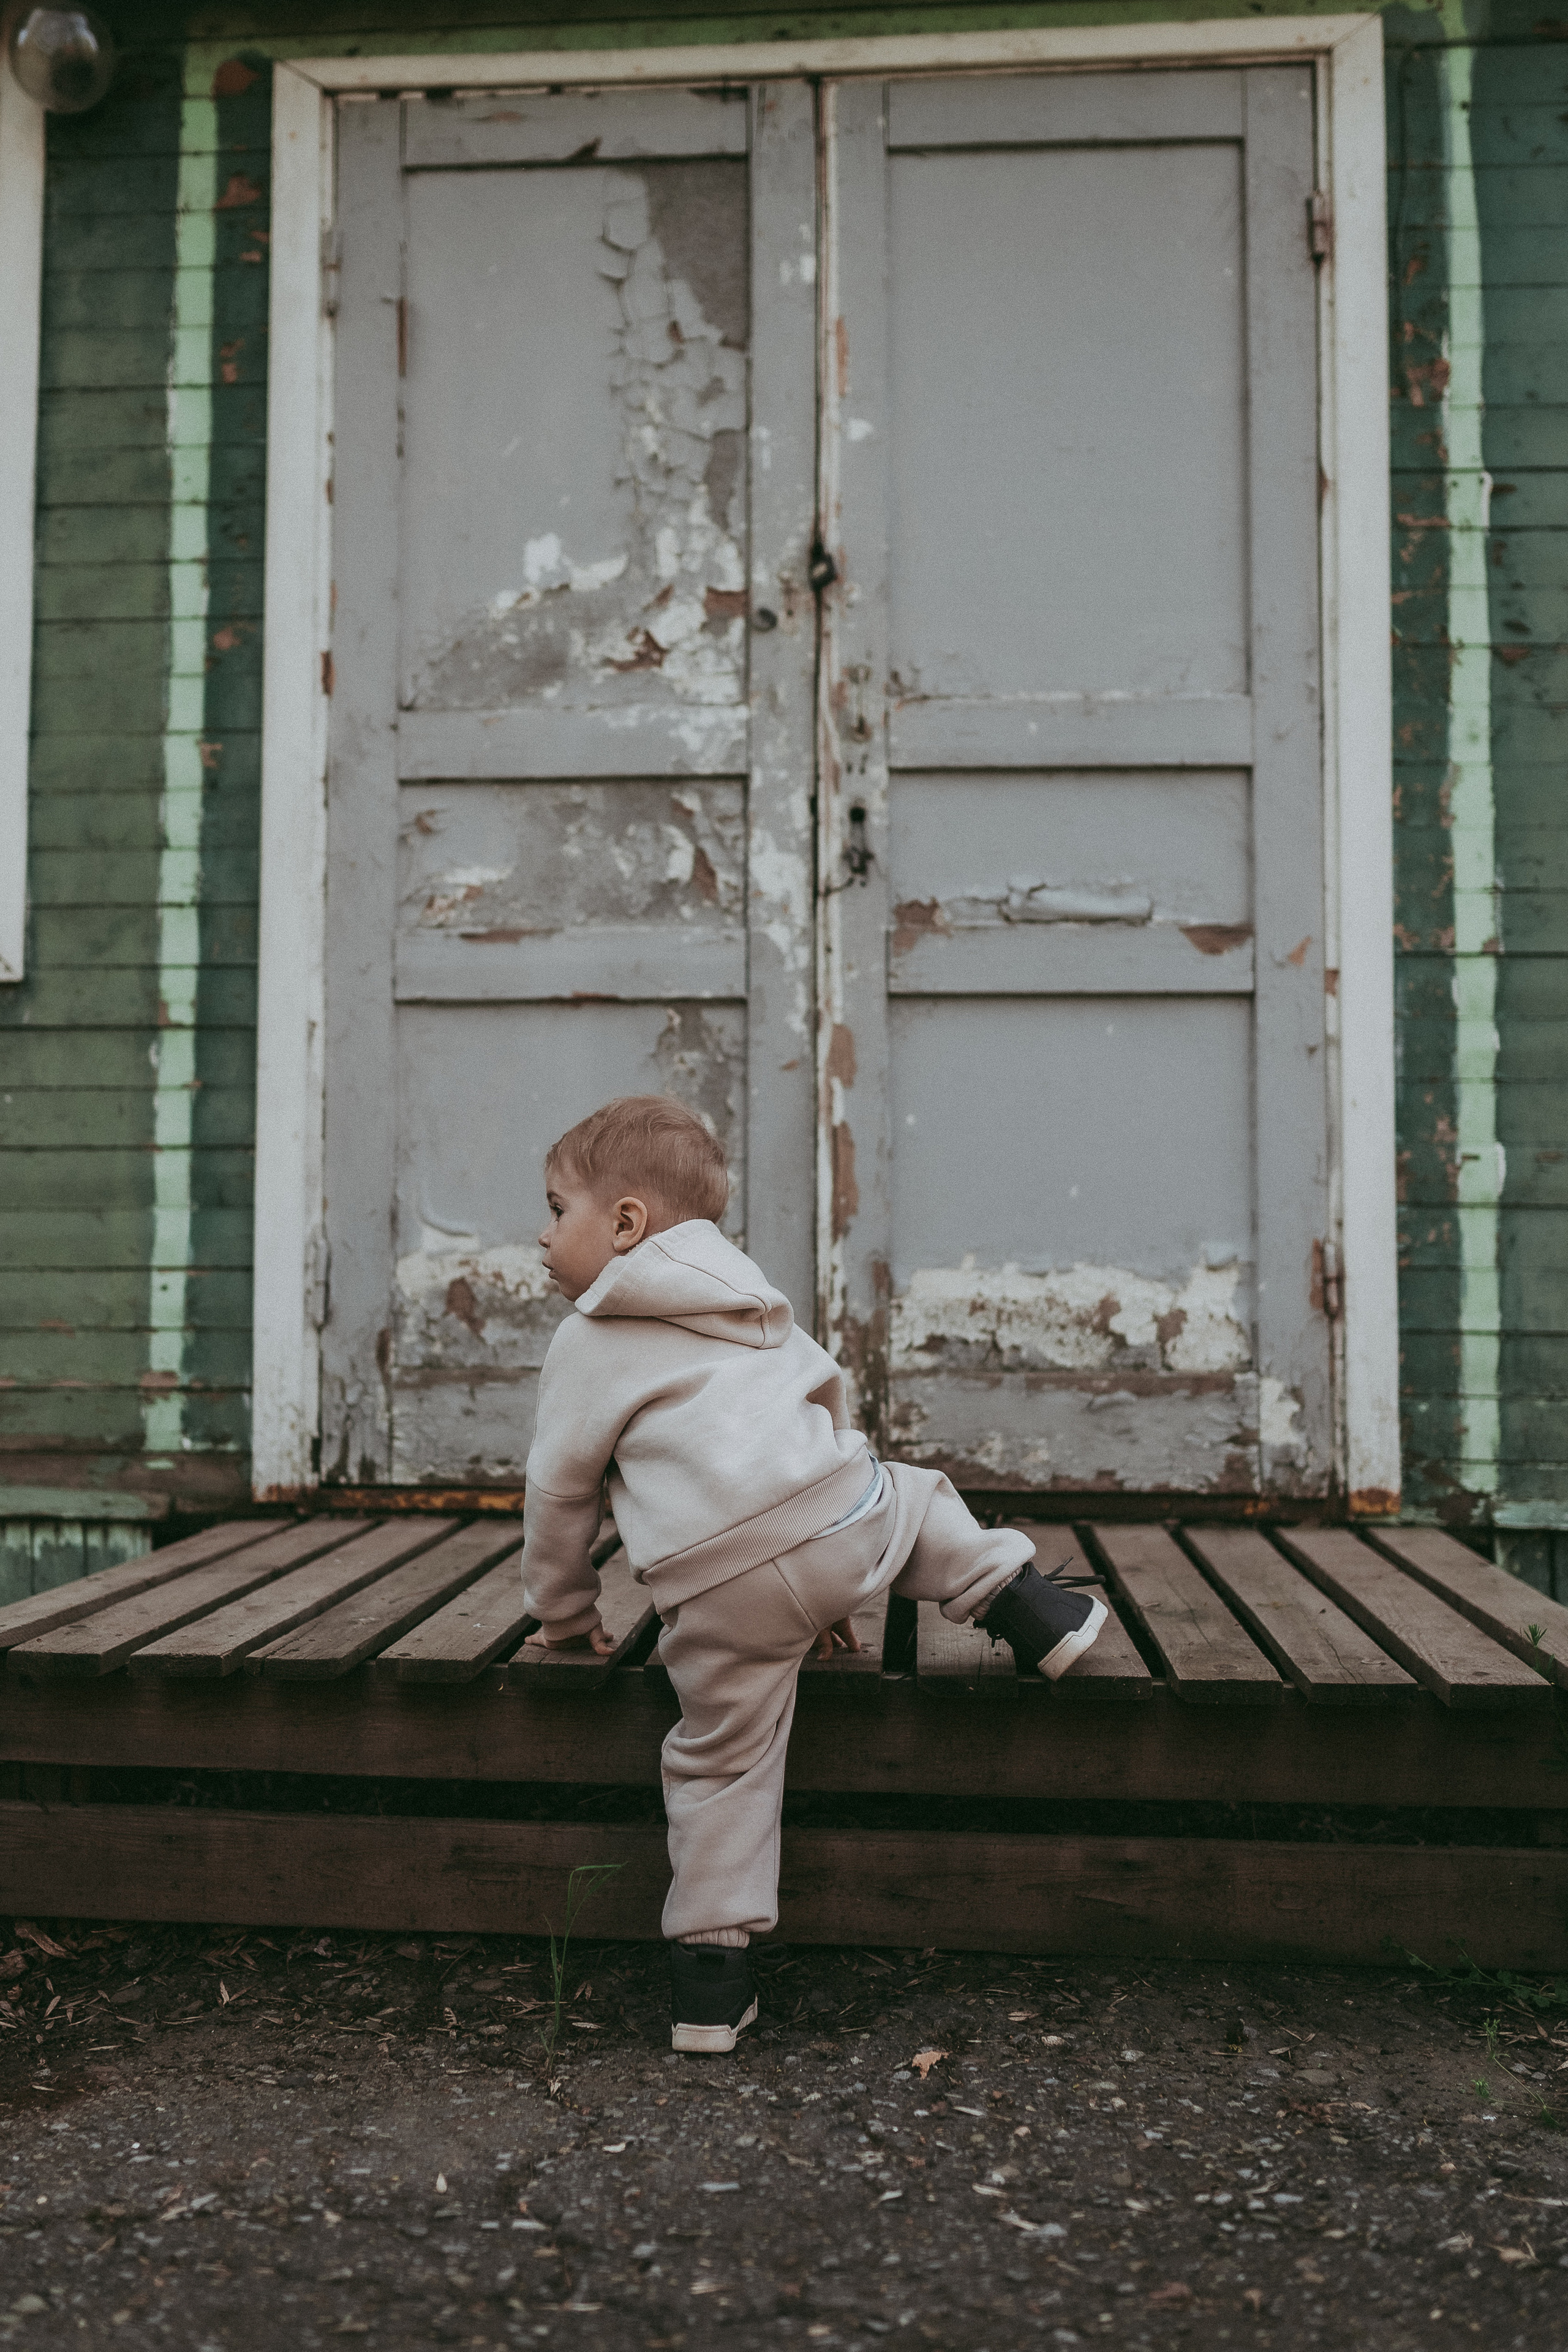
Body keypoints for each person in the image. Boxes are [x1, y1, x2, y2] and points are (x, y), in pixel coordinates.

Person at [519, 1095, 1106, 2053]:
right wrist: (836, 1575)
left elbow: (559, 1497)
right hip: (830, 1516)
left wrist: (560, 1609)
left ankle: (709, 1982)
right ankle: (1025, 1601)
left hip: (714, 1589)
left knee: (720, 1761)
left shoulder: (588, 1340)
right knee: (912, 1498)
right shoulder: (748, 1292)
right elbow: (825, 1403)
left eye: (555, 1211)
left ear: (624, 1223)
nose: (542, 1239)